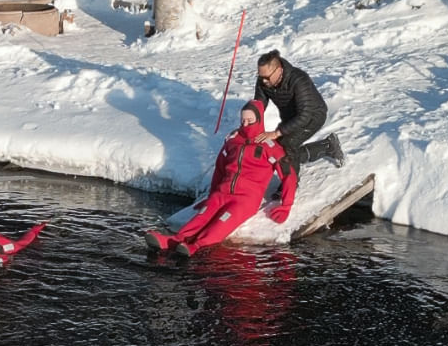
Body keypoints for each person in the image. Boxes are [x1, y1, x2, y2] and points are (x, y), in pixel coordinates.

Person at [144, 100, 297, 257]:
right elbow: (220, 168)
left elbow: (289, 176)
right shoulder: (233, 141)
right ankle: (173, 241)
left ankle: (196, 246)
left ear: (259, 120)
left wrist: (286, 205)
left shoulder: (269, 147)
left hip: (245, 199)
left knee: (220, 224)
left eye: (250, 121)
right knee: (202, 216)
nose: (245, 124)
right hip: (222, 193)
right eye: (243, 120)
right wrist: (212, 195)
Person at [253, 49, 343, 171]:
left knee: (288, 145)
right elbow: (258, 105)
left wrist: (277, 133)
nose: (263, 81)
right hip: (291, 117)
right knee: (278, 148)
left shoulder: (299, 79)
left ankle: (291, 183)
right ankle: (328, 146)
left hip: (313, 116)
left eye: (266, 77)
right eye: (261, 76)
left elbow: (304, 115)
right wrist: (248, 123)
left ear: (279, 70)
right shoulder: (264, 82)